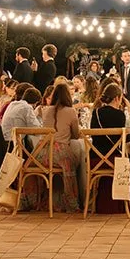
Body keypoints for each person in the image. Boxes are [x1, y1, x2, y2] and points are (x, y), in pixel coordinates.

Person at [36, 82, 86, 212]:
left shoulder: (45, 110)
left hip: (42, 153)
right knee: (75, 163)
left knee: (60, 166)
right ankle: (72, 201)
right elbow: (75, 135)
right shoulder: (70, 111)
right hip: (60, 153)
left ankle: (50, 200)